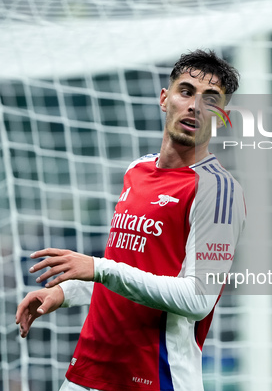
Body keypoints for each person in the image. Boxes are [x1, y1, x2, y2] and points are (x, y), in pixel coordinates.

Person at [15, 49, 246, 391]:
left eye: (211, 100)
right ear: (164, 99)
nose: (195, 106)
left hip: (154, 377)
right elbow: (127, 267)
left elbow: (198, 300)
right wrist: (67, 291)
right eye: (186, 92)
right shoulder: (136, 170)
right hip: (89, 370)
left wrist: (99, 268)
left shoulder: (218, 189)